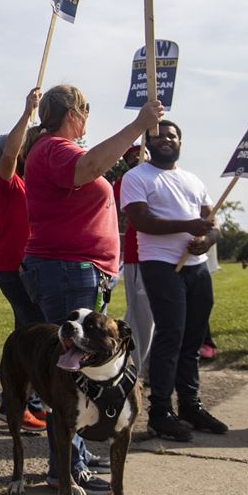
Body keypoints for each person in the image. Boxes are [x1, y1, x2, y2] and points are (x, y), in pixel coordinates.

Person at [20, 84, 163, 495]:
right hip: (67, 269)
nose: (86, 124)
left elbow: (89, 171)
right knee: (71, 368)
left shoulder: (53, 149)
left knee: (77, 366)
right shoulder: (54, 148)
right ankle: (66, 468)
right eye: (85, 114)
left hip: (77, 269)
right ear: (73, 113)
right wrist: (137, 125)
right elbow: (86, 169)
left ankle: (75, 454)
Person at [120, 120, 228, 441]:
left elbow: (213, 223)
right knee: (171, 336)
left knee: (194, 339)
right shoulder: (137, 177)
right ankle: (160, 412)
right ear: (147, 143)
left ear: (180, 142)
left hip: (196, 266)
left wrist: (207, 241)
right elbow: (141, 220)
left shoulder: (193, 179)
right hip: (161, 265)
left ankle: (190, 405)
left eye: (172, 135)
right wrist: (189, 225)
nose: (166, 139)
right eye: (158, 135)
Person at [0, 87, 48, 432]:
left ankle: (20, 404)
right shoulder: (4, 180)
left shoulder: (29, 182)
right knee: (32, 337)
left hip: (28, 267)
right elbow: (10, 152)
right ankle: (17, 405)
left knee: (28, 334)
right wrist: (28, 113)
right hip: (15, 268)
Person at [114, 145, 155, 373]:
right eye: (130, 155)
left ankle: (152, 366)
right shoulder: (125, 181)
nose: (136, 158)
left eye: (141, 153)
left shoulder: (160, 177)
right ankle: (134, 368)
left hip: (164, 253)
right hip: (138, 254)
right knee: (141, 315)